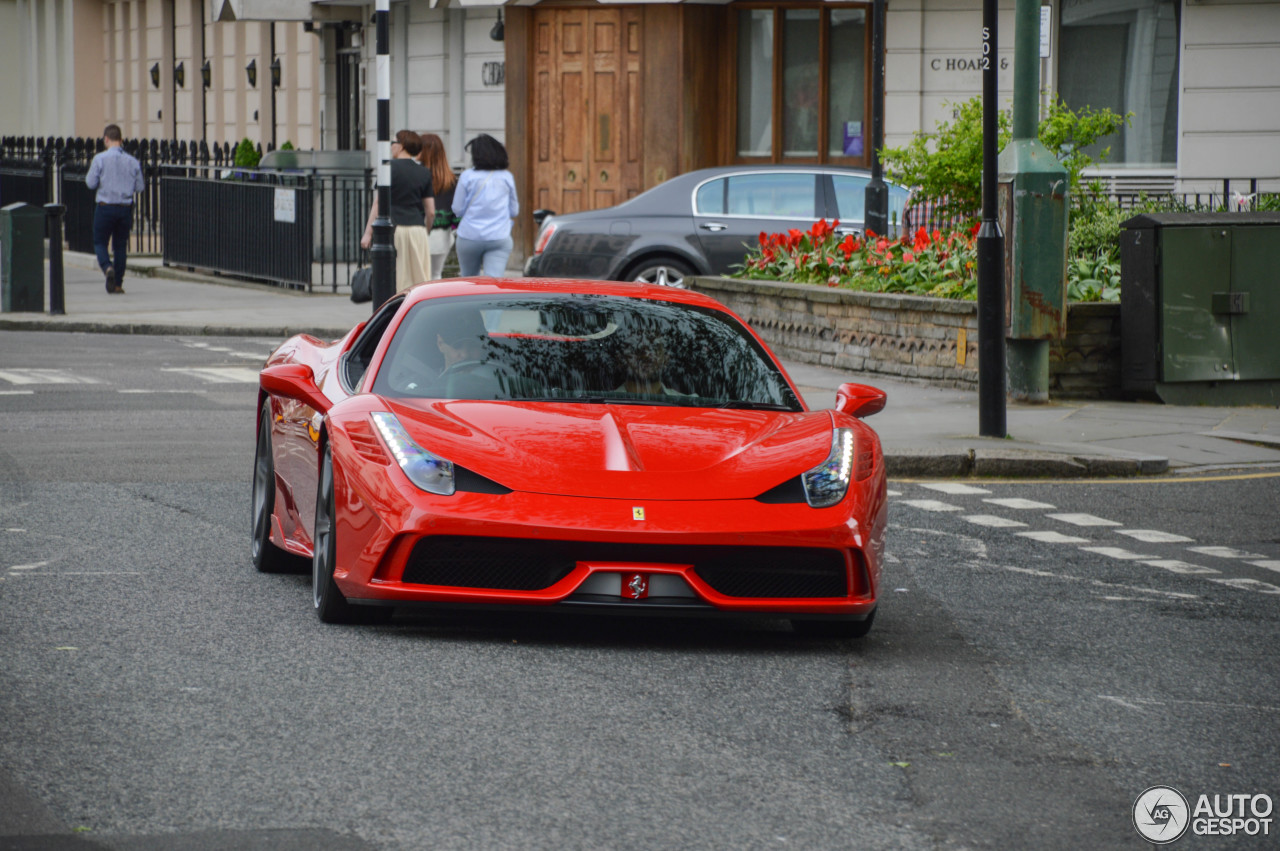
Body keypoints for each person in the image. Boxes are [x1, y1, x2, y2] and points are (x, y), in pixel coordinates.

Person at [361, 130, 435, 292]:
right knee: (420, 279)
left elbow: (378, 202)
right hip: (417, 230)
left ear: (401, 146)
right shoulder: (424, 172)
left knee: (398, 278)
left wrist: (368, 233)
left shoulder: (387, 169)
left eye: (393, 143)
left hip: (395, 229)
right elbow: (430, 211)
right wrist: (426, 230)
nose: (391, 147)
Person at [85, 125, 144, 294]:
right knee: (120, 247)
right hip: (125, 208)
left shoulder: (99, 159)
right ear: (121, 140)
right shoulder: (133, 161)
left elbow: (90, 183)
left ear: (106, 139)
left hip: (105, 207)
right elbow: (140, 187)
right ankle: (118, 284)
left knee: (99, 242)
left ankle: (107, 267)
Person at [452, 134, 519, 278]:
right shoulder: (506, 177)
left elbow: (457, 209)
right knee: (494, 283)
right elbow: (514, 211)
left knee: (468, 281)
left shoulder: (467, 176)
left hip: (469, 236)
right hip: (499, 236)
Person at [417, 133, 459, 280]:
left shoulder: (419, 176)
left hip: (421, 231)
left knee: (419, 276)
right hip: (443, 235)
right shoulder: (451, 180)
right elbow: (456, 211)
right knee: (436, 274)